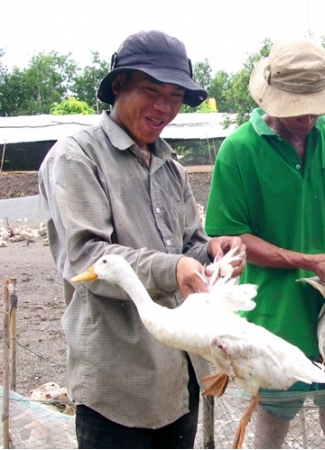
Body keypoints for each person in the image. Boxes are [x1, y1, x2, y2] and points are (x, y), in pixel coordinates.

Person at [38, 30, 245, 448]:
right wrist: (174, 268)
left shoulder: (170, 166)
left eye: (174, 96)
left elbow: (189, 242)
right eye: (152, 91)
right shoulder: (77, 157)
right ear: (119, 86)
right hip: (119, 386)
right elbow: (87, 259)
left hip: (178, 377)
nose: (164, 107)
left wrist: (210, 252)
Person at [204, 37, 325, 448]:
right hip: (273, 313)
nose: (308, 117)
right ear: (272, 98)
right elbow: (232, 235)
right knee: (272, 416)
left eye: (315, 105)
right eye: (296, 108)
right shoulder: (238, 151)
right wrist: (305, 260)